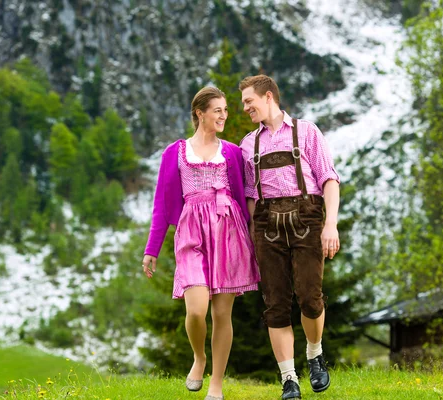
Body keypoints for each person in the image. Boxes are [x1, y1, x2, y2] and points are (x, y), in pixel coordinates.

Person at [142, 86, 260, 400]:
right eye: (217, 110)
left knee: (222, 314)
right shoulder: (175, 152)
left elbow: (243, 195)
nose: (224, 115)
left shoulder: (233, 152)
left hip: (228, 232)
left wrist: (254, 241)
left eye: (225, 109)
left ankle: (217, 385)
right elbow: (161, 204)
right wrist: (152, 249)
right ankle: (199, 357)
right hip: (191, 232)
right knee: (196, 311)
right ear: (200, 113)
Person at [239, 75, 340, 400]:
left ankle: (314, 354)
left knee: (310, 298)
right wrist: (254, 237)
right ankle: (289, 380)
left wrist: (331, 225)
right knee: (276, 305)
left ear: (268, 96)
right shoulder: (247, 144)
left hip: (307, 217)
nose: (245, 108)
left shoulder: (306, 131)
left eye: (248, 101)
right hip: (267, 225)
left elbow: (329, 179)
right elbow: (251, 197)